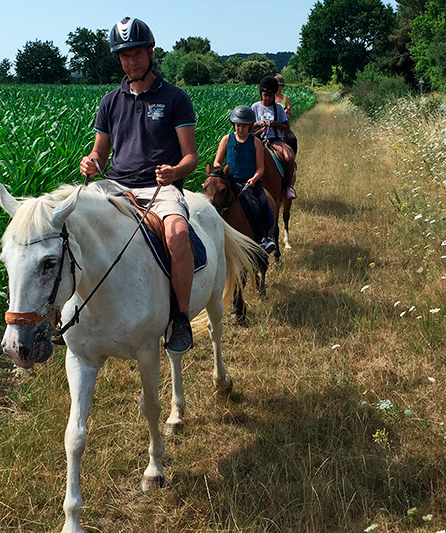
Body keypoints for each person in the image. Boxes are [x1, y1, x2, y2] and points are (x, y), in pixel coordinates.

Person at [79, 17, 198, 355]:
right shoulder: (110, 101)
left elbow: (191, 157)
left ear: (150, 52)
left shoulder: (175, 98)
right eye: (124, 56)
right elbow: (99, 154)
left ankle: (181, 317)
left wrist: (174, 172)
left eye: (136, 54)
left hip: (161, 187)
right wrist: (91, 164)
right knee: (72, 223)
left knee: (176, 233)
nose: (131, 62)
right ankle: (68, 310)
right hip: (117, 186)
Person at [212, 105, 276, 253]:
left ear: (249, 126)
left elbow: (260, 168)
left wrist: (254, 179)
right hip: (230, 181)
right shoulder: (227, 139)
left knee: (262, 203)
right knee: (214, 201)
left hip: (250, 183)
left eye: (244, 126)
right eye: (237, 125)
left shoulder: (255, 142)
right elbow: (216, 162)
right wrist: (222, 172)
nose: (240, 129)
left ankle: (265, 237)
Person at [251, 76, 297, 200]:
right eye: (264, 95)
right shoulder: (255, 107)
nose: (267, 98)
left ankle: (288, 186)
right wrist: (259, 124)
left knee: (289, 156)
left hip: (275, 140)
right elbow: (249, 127)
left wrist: (275, 124)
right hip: (257, 140)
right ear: (261, 94)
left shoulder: (279, 108)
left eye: (270, 96)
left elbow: (286, 127)